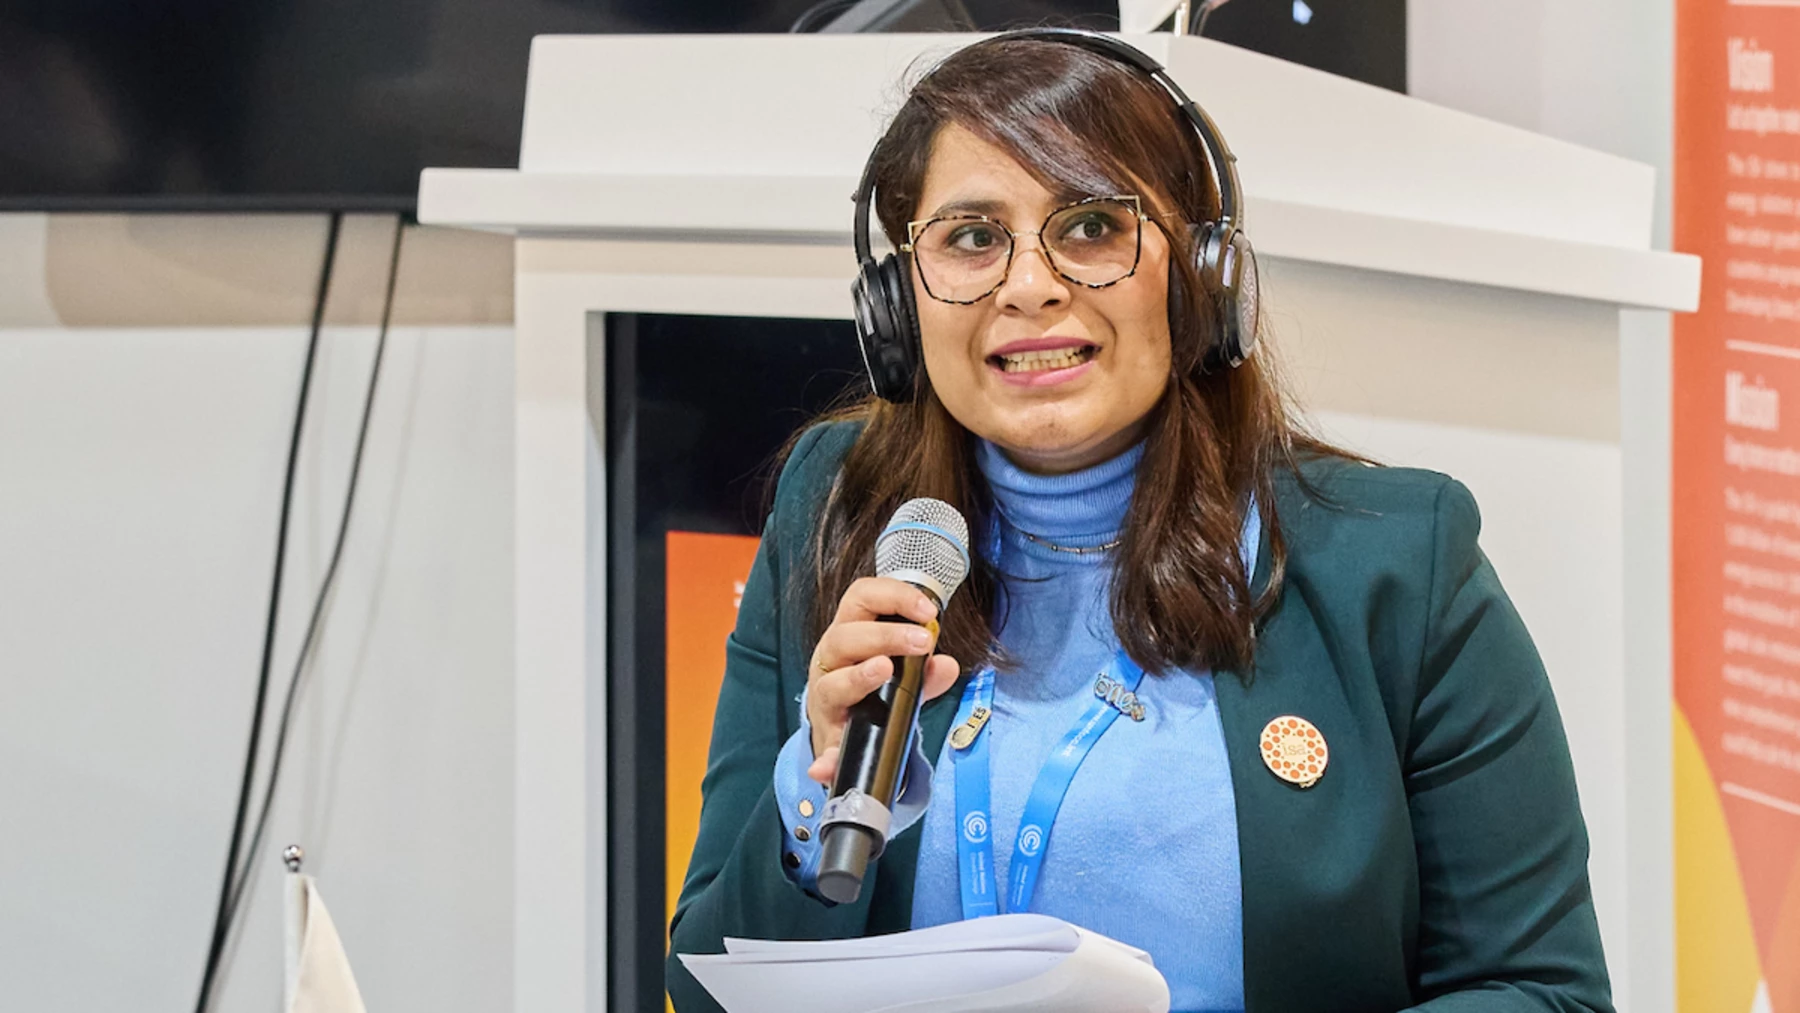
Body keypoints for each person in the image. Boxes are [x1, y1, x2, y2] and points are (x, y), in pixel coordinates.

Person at [667, 28, 1610, 1013]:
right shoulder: (841, 505)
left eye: (1089, 228)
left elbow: (1541, 988)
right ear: (898, 304)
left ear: (1200, 275)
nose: (1028, 285)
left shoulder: (1397, 559)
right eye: (972, 238)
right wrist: (815, 787)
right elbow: (704, 985)